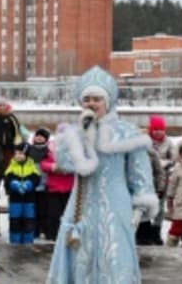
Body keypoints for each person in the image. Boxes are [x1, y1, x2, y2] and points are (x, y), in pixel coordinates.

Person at [46, 66, 158, 284]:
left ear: (108, 102)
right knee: (79, 257)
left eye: (97, 98)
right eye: (86, 99)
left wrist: (140, 207)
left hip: (116, 208)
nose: (91, 103)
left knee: (115, 258)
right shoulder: (75, 132)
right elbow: (65, 164)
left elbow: (140, 173)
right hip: (80, 210)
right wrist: (83, 137)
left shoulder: (128, 132)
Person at [40, 124, 74, 241]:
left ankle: (67, 235)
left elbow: (78, 165)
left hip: (69, 187)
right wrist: (53, 167)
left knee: (69, 215)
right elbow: (43, 164)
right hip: (53, 187)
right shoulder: (50, 148)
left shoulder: (75, 149)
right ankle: (51, 235)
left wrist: (67, 168)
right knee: (53, 214)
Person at [4, 142, 40, 244]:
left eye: (21, 153)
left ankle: (28, 242)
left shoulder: (32, 167)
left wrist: (29, 184)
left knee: (29, 221)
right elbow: (7, 179)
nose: (18, 156)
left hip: (29, 200)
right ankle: (15, 241)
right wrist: (14, 184)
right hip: (15, 200)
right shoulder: (11, 166)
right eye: (16, 153)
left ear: (26, 155)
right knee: (15, 221)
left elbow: (36, 179)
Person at [147, 114, 175, 245]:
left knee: (159, 206)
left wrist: (164, 163)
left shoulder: (168, 143)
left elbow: (174, 158)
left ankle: (156, 231)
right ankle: (144, 231)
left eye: (161, 129)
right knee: (146, 205)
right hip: (148, 178)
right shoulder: (146, 142)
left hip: (163, 179)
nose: (158, 132)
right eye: (155, 129)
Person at [135, 148, 165, 245]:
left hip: (147, 188)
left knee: (145, 212)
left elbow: (159, 172)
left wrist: (159, 187)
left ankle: (147, 236)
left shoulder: (151, 153)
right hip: (130, 188)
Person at [29, 127, 51, 238]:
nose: (39, 138)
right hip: (32, 182)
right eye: (37, 136)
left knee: (43, 208)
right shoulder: (29, 149)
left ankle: (43, 229)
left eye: (41, 136)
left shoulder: (48, 151)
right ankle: (34, 230)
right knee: (33, 208)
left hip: (45, 183)